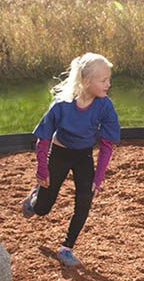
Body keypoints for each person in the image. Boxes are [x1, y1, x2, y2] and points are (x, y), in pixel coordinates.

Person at [21, 52, 121, 267]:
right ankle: (34, 199)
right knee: (42, 209)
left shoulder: (104, 105)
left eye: (109, 79)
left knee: (85, 200)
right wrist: (42, 171)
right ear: (87, 82)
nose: (108, 84)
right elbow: (43, 138)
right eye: (103, 80)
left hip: (83, 156)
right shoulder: (62, 105)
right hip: (59, 154)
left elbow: (106, 145)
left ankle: (66, 248)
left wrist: (98, 178)